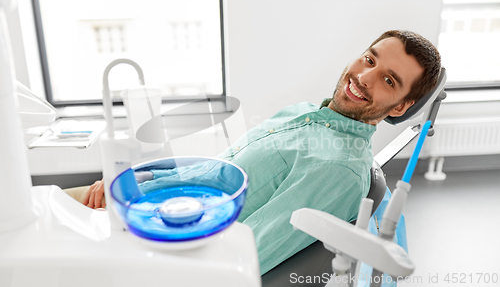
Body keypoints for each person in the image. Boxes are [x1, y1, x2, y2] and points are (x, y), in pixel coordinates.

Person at [68, 30, 441, 275]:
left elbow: (249, 254)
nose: (364, 76)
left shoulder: (338, 170)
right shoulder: (304, 114)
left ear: (399, 107)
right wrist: (139, 181)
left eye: (388, 80)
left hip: (157, 250)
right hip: (140, 204)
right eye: (369, 59)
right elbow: (217, 172)